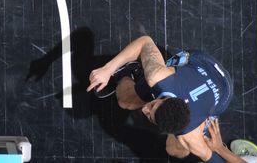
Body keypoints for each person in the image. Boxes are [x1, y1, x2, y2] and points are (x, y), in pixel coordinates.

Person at [87, 35, 233, 161]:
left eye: (150, 116)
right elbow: (145, 42)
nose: (145, 109)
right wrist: (108, 69)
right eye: (152, 106)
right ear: (163, 98)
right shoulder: (160, 78)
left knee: (174, 149)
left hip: (224, 94)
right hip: (201, 62)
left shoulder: (189, 138)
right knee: (125, 101)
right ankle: (130, 72)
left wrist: (219, 148)